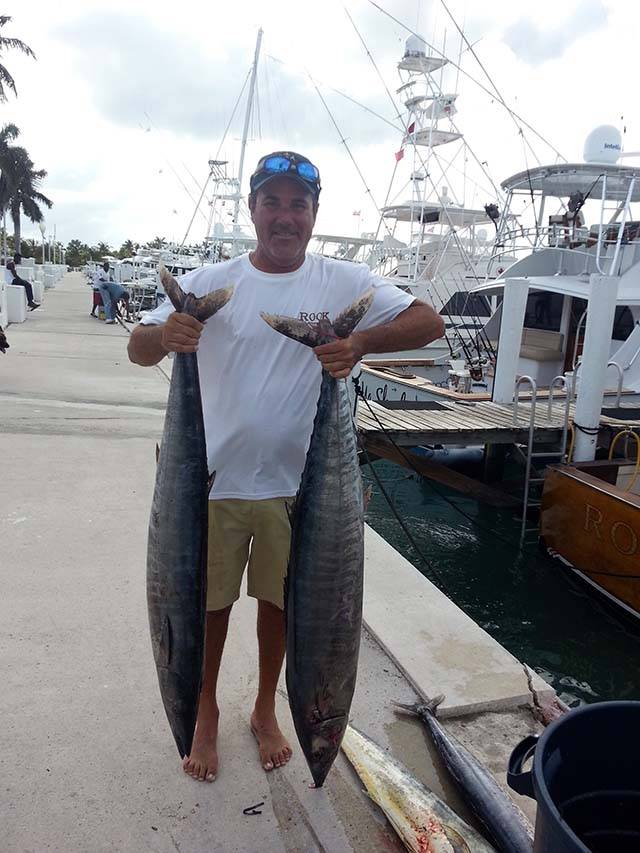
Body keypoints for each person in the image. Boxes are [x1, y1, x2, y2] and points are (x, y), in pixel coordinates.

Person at [127, 150, 445, 784]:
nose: (284, 215)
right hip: (209, 486)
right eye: (271, 201)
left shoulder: (344, 280)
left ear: (312, 214)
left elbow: (428, 323)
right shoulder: (214, 278)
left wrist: (358, 342)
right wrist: (168, 337)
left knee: (282, 606)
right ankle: (206, 709)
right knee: (205, 607)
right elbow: (137, 348)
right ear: (252, 210)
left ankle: (266, 706)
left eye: (297, 203)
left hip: (300, 487)